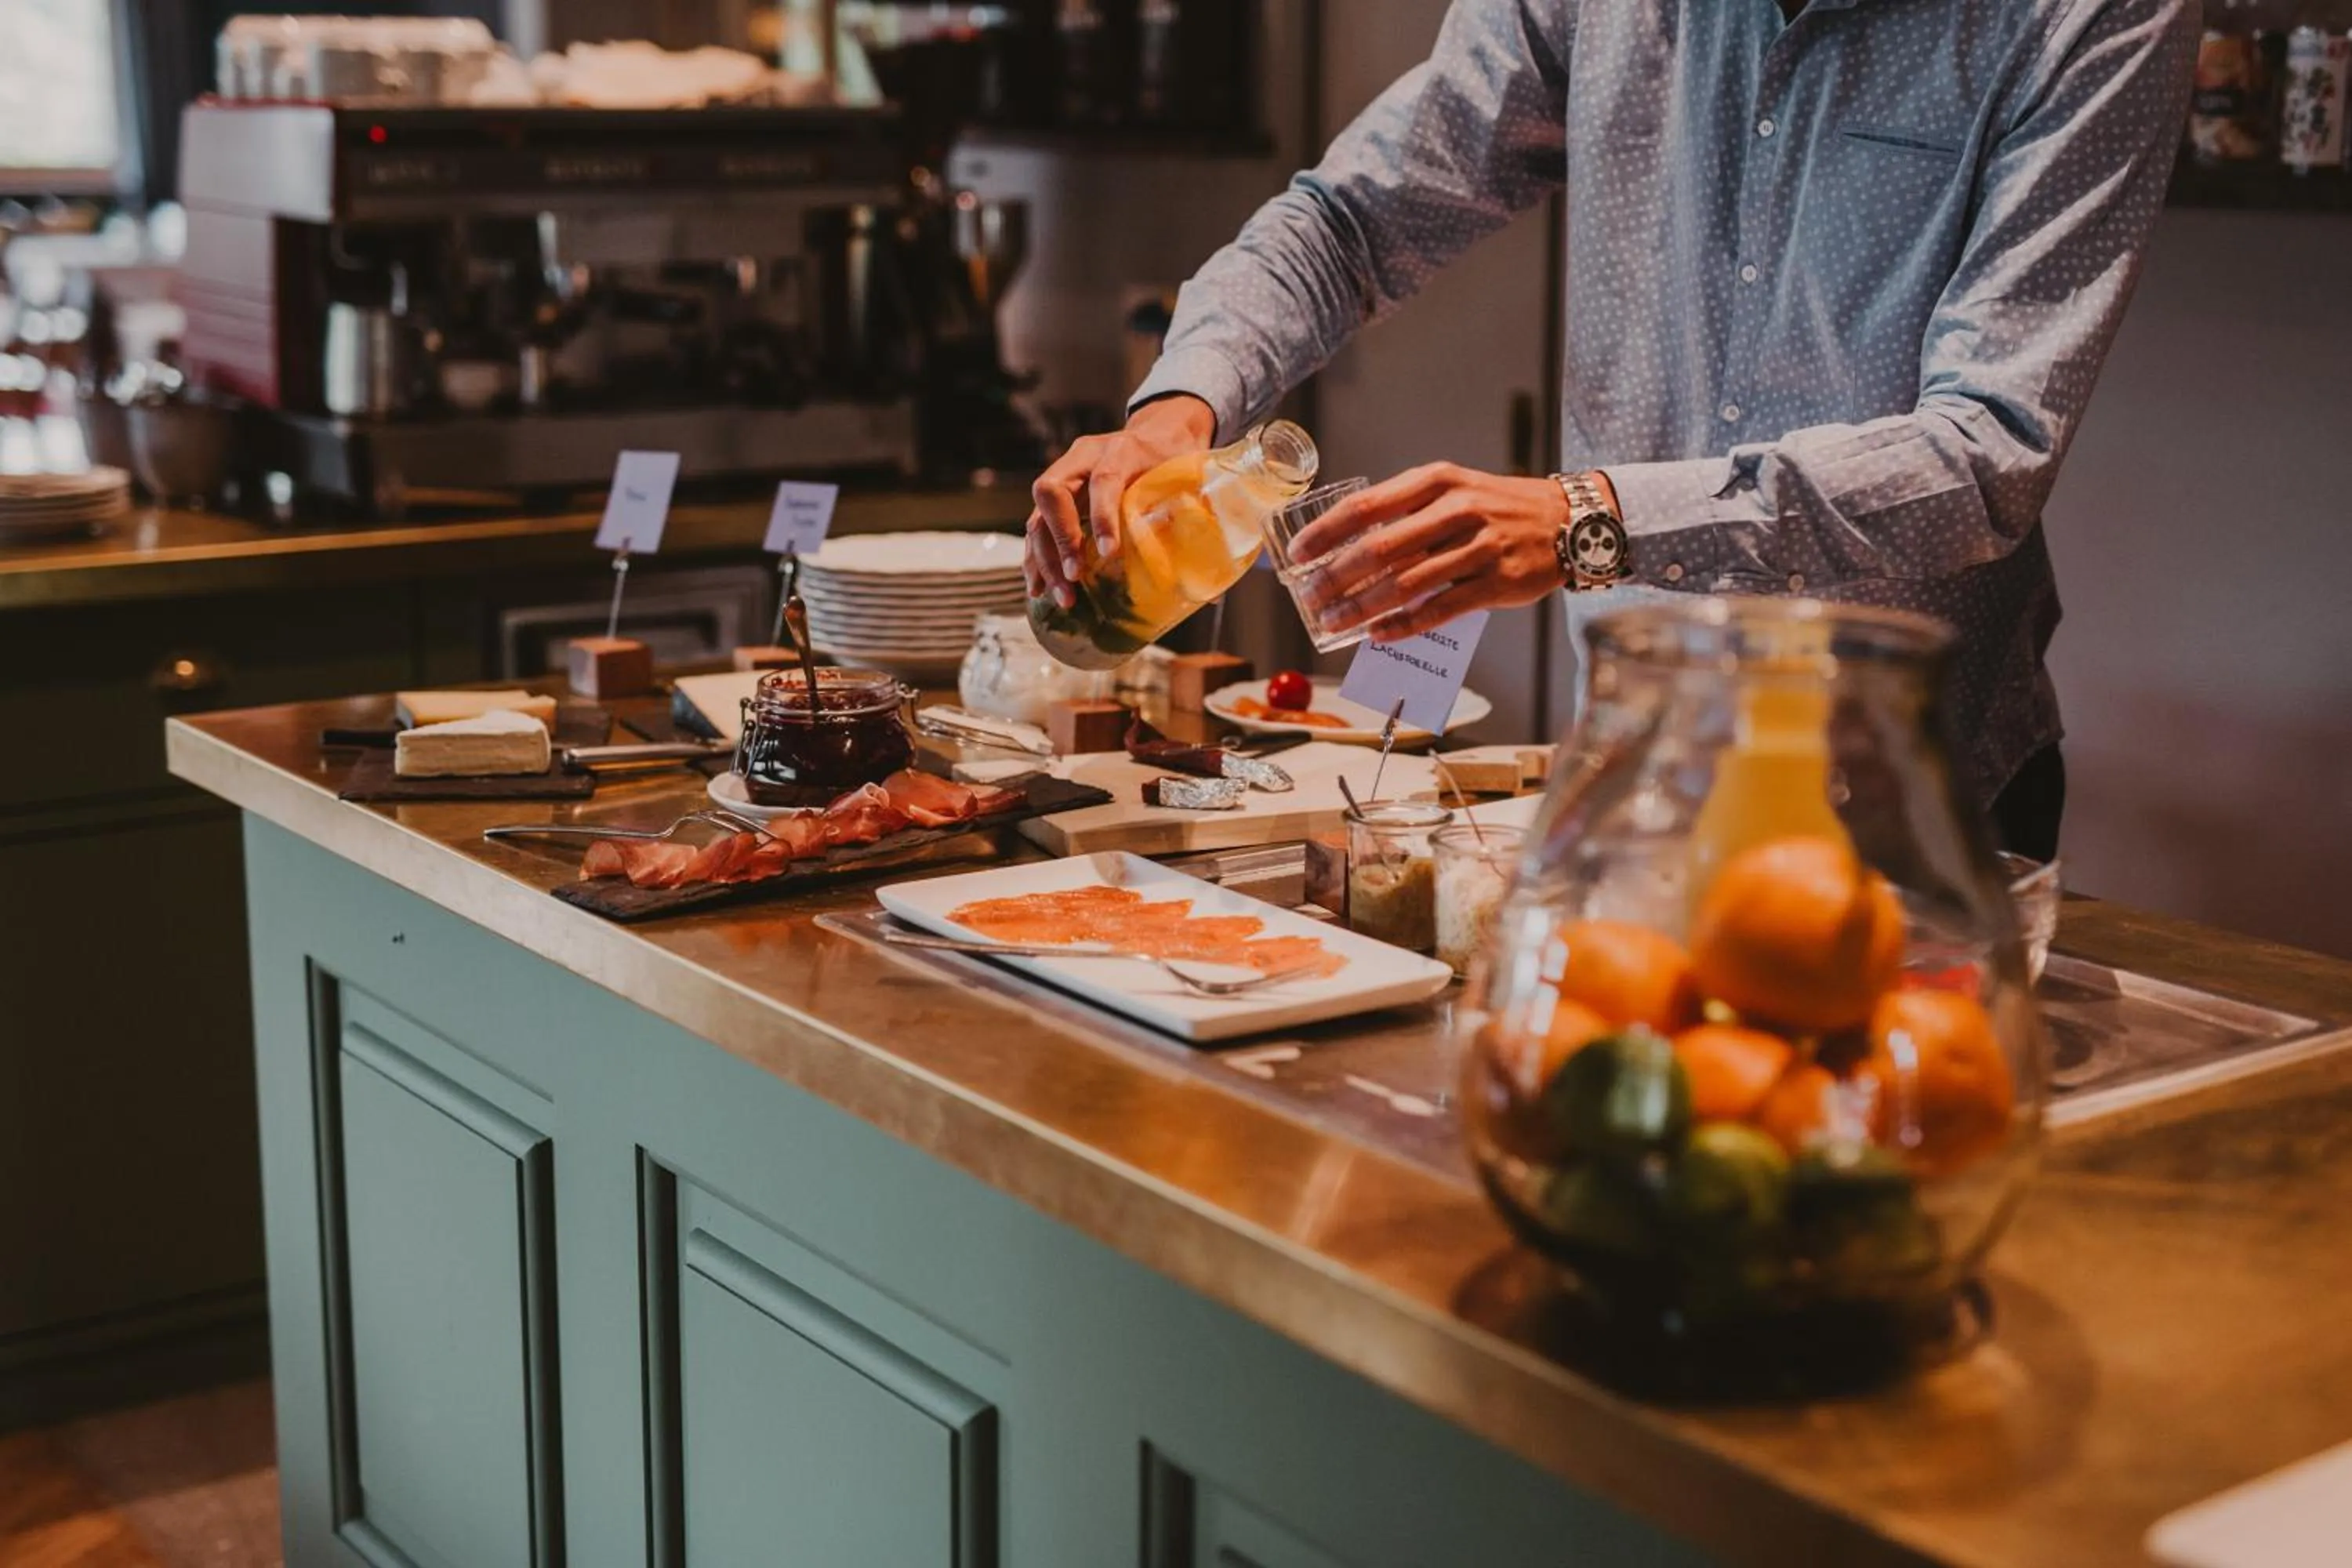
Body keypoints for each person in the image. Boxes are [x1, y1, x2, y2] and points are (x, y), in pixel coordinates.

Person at [1023, 0, 2198, 861]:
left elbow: (1985, 453)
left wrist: (1590, 521)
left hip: (1905, 802)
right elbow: (1346, 223)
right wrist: (1177, 412)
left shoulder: (2088, 16)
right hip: (1636, 782)